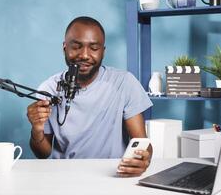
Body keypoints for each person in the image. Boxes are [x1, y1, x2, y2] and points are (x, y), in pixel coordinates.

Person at [27, 16, 153, 177]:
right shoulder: (48, 89)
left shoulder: (124, 83)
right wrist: (37, 129)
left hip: (112, 176)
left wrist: (143, 159)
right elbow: (42, 154)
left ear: (103, 51)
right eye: (76, 46)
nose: (84, 55)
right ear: (65, 48)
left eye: (93, 48)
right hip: (64, 177)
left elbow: (142, 142)